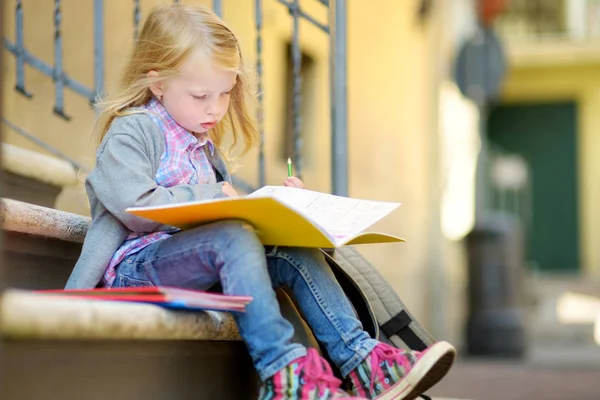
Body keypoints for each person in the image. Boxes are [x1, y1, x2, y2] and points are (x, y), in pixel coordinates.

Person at [65, 4, 456, 399]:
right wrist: (216, 196)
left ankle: (364, 361)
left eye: (225, 92)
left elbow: (218, 218)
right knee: (233, 236)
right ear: (158, 83)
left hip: (198, 262)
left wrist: (286, 211)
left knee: (290, 251)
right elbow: (135, 205)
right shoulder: (133, 131)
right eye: (201, 95)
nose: (215, 108)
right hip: (137, 267)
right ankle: (284, 372)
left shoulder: (202, 148)